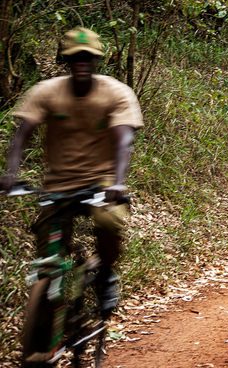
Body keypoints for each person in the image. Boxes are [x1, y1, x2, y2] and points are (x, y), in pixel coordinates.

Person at [1, 27, 143, 315]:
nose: (81, 63)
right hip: (58, 183)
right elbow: (22, 134)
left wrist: (117, 183)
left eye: (87, 58)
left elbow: (123, 140)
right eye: (74, 58)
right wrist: (10, 175)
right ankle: (49, 315)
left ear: (96, 62)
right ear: (65, 61)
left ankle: (105, 274)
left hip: (102, 182)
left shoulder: (116, 92)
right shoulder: (47, 92)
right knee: (47, 249)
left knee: (108, 222)